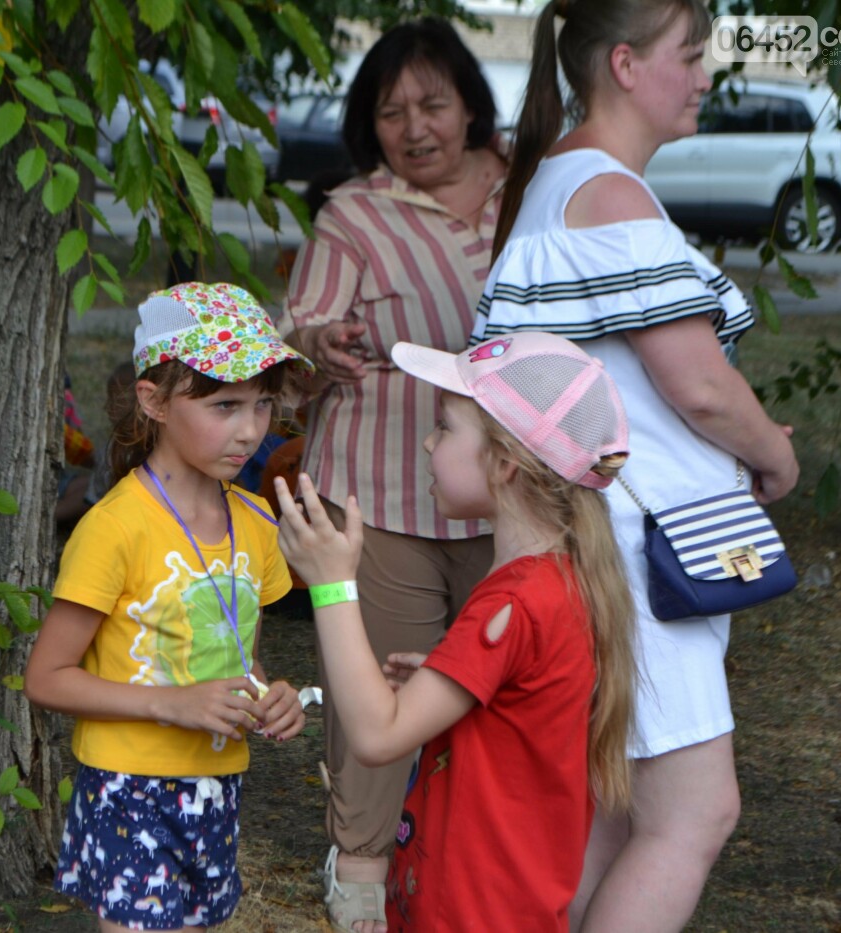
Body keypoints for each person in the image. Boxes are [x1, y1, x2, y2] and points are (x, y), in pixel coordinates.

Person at [476, 1, 800, 929]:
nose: (705, 76)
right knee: (696, 811)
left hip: (605, 545)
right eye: (690, 55)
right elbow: (698, 385)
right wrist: (774, 453)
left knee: (614, 814)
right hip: (647, 552)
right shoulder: (609, 194)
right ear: (625, 63)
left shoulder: (555, 184)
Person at [276, 332, 637, 931]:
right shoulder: (560, 580)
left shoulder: (512, 603)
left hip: (467, 910)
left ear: (503, 464)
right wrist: (454, 686)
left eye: (444, 427)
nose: (427, 441)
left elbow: (375, 734)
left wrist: (332, 583)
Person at [278, 19, 506, 929]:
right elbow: (297, 338)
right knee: (378, 698)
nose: (415, 127)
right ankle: (362, 884)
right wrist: (316, 344)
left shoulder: (529, 183)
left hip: (514, 498)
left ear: (471, 106)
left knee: (505, 695)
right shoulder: (354, 214)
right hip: (382, 500)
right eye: (390, 112)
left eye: (433, 104)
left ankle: (484, 868)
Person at [24, 282, 312, 931]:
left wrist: (273, 695)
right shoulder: (115, 526)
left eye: (263, 405)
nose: (250, 430)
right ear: (153, 400)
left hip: (217, 785)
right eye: (225, 404)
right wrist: (170, 704)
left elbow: (243, 658)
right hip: (128, 784)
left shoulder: (257, 521)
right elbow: (46, 677)